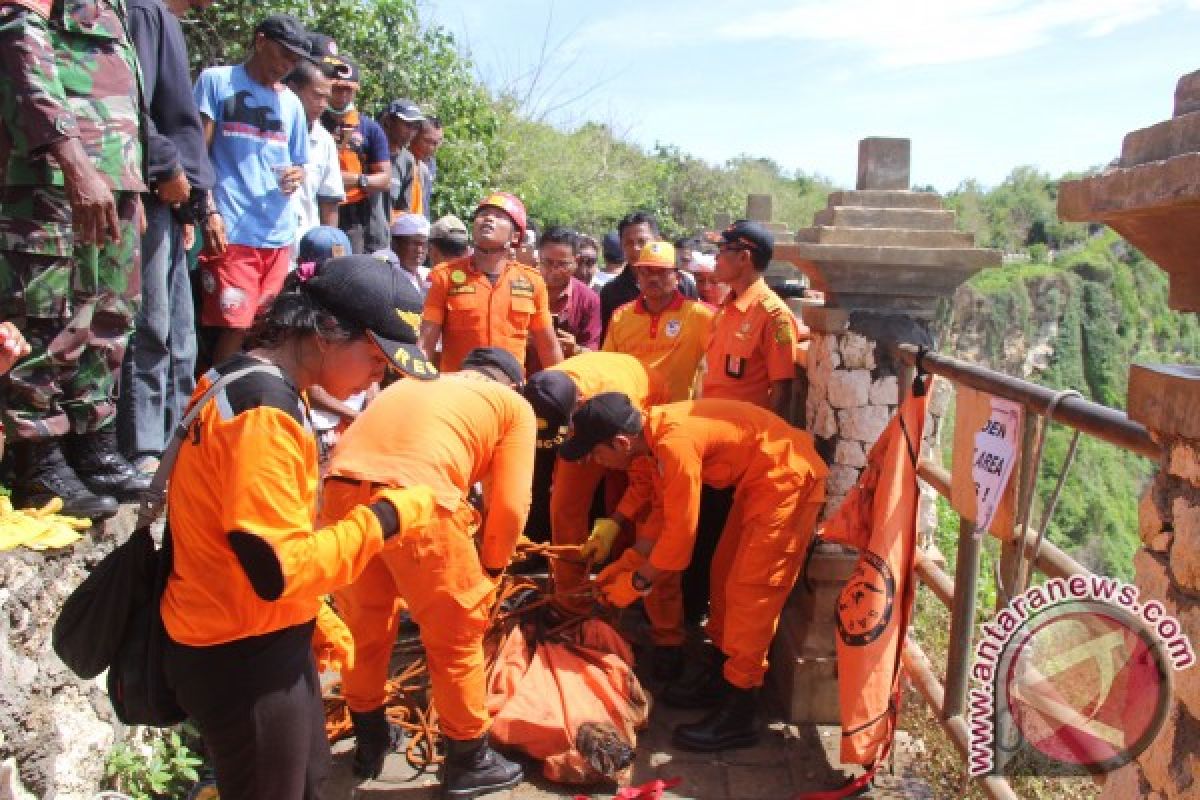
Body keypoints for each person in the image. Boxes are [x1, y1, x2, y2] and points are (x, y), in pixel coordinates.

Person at [162, 255, 439, 800]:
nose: (378, 375)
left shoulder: (247, 376)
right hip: (239, 648)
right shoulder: (264, 410)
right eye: (377, 357)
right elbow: (277, 570)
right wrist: (386, 518)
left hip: (254, 631)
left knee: (308, 780)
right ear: (327, 330)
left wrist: (310, 619)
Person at [561, 393, 827, 752]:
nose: (596, 462)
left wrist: (638, 583)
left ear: (620, 442)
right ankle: (721, 675)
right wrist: (625, 563)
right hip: (760, 481)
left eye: (596, 454)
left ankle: (740, 711)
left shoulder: (673, 445)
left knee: (751, 594)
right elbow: (662, 518)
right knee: (722, 579)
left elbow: (678, 541)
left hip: (786, 480)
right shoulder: (653, 440)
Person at [323, 347, 534, 795]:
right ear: (511, 383)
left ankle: (370, 738)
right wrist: (494, 567)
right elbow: (512, 506)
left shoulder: (413, 383)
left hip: (340, 493)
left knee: (364, 629)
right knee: (455, 638)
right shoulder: (513, 405)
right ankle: (467, 759)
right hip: (420, 505)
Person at [0, 0, 150, 518]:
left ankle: (93, 446)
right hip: (51, 175)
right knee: (46, 317)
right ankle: (37, 460)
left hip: (114, 177)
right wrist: (73, 159)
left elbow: (124, 91)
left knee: (110, 315)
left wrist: (132, 184)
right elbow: (22, 49)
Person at [117, 0, 216, 477]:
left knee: (181, 332)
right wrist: (166, 167)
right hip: (154, 190)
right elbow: (134, 105)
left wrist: (195, 201)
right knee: (151, 324)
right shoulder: (144, 12)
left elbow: (178, 119)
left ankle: (179, 442)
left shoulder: (169, 21)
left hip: (176, 202)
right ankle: (145, 449)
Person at [194, 13, 311, 366]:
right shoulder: (217, 82)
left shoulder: (291, 103)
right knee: (234, 325)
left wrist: (296, 175)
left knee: (263, 327)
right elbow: (198, 152)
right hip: (231, 227)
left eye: (294, 60)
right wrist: (207, 211)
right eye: (283, 54)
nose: (287, 65)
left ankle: (243, 403)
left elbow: (300, 162)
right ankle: (209, 409)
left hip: (277, 233)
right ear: (260, 41)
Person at [522, 353, 668, 615]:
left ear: (577, 406)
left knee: (650, 516)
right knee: (564, 506)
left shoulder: (622, 406)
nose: (591, 458)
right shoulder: (542, 392)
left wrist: (617, 519)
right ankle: (571, 603)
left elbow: (643, 484)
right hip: (585, 418)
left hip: (637, 408)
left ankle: (658, 619)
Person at [419, 192, 563, 374]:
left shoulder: (532, 282)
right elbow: (425, 343)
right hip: (459, 388)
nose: (488, 219)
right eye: (483, 214)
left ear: (515, 236)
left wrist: (562, 392)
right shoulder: (444, 276)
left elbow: (548, 348)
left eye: (499, 216)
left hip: (509, 391)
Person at [703, 220, 805, 419]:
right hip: (710, 423)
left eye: (723, 250)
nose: (716, 258)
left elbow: (782, 391)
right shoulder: (727, 307)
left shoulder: (774, 315)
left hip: (743, 433)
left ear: (743, 257)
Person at [603, 241, 713, 401]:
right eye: (646, 271)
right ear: (638, 276)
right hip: (633, 415)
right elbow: (609, 366)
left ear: (678, 277)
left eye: (662, 272)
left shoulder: (701, 315)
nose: (653, 278)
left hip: (677, 415)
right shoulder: (621, 316)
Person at [320, 52, 391, 253]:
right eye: (338, 89)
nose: (343, 95)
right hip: (317, 205)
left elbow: (385, 179)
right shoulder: (314, 121)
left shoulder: (369, 128)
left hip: (354, 213)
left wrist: (355, 180)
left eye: (348, 90)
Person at [599, 212, 697, 333]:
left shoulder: (683, 283)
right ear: (622, 246)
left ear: (658, 241)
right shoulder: (611, 292)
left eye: (642, 241)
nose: (636, 248)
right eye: (629, 243)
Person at [284, 54, 344, 248]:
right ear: (292, 90)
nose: (323, 104)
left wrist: (330, 251)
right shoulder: (269, 130)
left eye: (326, 98)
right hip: (265, 243)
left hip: (305, 248)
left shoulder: (324, 140)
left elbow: (329, 201)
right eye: (317, 95)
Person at [530, 226, 600, 373]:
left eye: (562, 264)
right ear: (538, 258)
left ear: (576, 261)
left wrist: (574, 348)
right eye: (548, 262)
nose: (554, 270)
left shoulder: (589, 299)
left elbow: (595, 357)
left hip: (567, 381)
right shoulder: (522, 287)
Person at [383, 212, 430, 297]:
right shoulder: (386, 277)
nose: (420, 250)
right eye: (414, 243)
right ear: (395, 244)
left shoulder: (429, 275)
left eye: (424, 244)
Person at [406, 117, 443, 218]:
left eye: (436, 143)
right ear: (414, 136)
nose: (431, 148)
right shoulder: (401, 161)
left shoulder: (431, 164)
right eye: (427, 141)